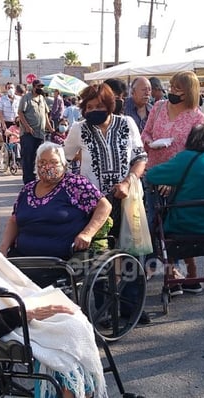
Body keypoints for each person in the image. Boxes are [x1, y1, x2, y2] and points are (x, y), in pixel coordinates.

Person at [0, 197, 108, 398]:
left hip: (12, 307)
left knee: (74, 319)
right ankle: (71, 392)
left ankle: (83, 392)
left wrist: (32, 308)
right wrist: (27, 313)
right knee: (67, 332)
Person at [63, 83, 149, 324]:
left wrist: (128, 182)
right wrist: (80, 188)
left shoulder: (126, 123)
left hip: (127, 198)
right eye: (89, 107)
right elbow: (65, 159)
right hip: (96, 204)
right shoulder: (78, 129)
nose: (94, 110)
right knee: (100, 254)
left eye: (99, 106)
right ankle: (103, 309)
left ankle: (133, 307)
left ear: (110, 105)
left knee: (131, 252)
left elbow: (140, 157)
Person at [140, 70, 204, 294]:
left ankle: (175, 271)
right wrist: (152, 142)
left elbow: (195, 152)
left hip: (179, 178)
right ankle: (160, 269)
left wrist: (175, 179)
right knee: (152, 221)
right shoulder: (158, 107)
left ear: (189, 92)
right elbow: (144, 134)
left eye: (179, 88)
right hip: (153, 171)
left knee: (173, 226)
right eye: (173, 86)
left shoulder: (197, 117)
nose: (173, 91)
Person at [145, 124, 204, 293]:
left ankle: (174, 279)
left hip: (183, 223)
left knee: (161, 225)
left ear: (190, 139)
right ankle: (192, 276)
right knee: (189, 217)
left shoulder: (184, 158)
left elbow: (151, 175)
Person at [0, 142, 112, 259]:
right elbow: (14, 220)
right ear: (36, 165)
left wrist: (87, 234)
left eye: (53, 162)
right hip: (23, 259)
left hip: (61, 261)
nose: (47, 167)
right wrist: (3, 247)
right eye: (42, 162)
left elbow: (104, 206)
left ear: (63, 164)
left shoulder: (75, 184)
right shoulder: (27, 189)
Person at [18, 79, 53, 184]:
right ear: (33, 87)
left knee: (38, 157)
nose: (40, 89)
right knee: (28, 157)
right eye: (38, 87)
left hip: (40, 133)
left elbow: (45, 115)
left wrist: (50, 128)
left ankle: (36, 178)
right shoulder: (26, 98)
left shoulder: (42, 98)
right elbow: (20, 113)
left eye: (41, 87)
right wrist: (27, 127)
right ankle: (28, 181)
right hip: (28, 133)